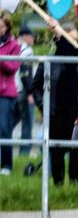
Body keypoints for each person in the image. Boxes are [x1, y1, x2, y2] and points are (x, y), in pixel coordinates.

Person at [30, 26, 78, 186]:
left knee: (76, 151)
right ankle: (58, 184)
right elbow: (35, 86)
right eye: (70, 39)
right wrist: (43, 105)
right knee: (56, 151)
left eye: (77, 40)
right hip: (55, 112)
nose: (74, 43)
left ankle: (75, 184)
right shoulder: (49, 61)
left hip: (77, 114)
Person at [0, 12, 21, 174]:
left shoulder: (14, 45)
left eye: (1, 26)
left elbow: (13, 67)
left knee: (5, 129)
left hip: (6, 93)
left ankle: (7, 165)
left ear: (7, 27)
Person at [15, 27, 35, 156]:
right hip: (23, 90)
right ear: (25, 36)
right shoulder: (26, 50)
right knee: (27, 122)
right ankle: (24, 153)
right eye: (32, 36)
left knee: (10, 121)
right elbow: (25, 73)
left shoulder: (12, 48)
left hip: (12, 90)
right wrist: (30, 93)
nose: (33, 39)